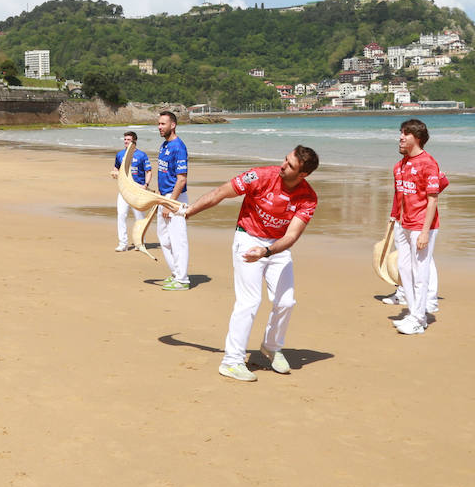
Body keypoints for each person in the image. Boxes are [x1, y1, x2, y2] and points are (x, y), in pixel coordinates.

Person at [180, 146, 319, 381]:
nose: (283, 166)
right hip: (248, 236)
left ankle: (271, 347)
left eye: (290, 165)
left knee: (286, 301)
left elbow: (291, 237)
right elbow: (221, 192)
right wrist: (189, 211)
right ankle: (232, 361)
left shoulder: (308, 198)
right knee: (250, 300)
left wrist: (266, 251)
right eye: (285, 160)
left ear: (302, 174)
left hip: (275, 245)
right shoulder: (261, 175)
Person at [388, 119, 447, 334]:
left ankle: (419, 317)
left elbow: (433, 198)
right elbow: (399, 194)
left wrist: (424, 231)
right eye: (401, 133)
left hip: (421, 226)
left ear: (418, 138)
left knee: (421, 272)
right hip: (402, 224)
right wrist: (394, 217)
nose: (401, 137)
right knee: (405, 269)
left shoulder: (428, 163)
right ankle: (413, 314)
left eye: (406, 134)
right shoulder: (399, 165)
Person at [155, 111, 190, 290]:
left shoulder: (178, 147)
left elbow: (181, 179)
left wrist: (170, 203)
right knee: (164, 238)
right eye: (159, 124)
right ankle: (176, 273)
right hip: (164, 197)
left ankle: (182, 280)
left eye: (163, 124)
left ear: (173, 125)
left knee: (178, 239)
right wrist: (160, 200)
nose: (159, 127)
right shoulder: (164, 145)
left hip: (175, 198)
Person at [110, 130, 152, 252]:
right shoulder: (120, 155)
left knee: (139, 218)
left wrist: (146, 185)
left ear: (134, 141)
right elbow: (115, 169)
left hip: (137, 191)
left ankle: (139, 243)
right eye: (125, 140)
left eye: (128, 140)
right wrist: (114, 173)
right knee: (121, 215)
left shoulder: (142, 155)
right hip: (124, 190)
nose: (126, 142)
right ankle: (123, 243)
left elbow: (148, 171)